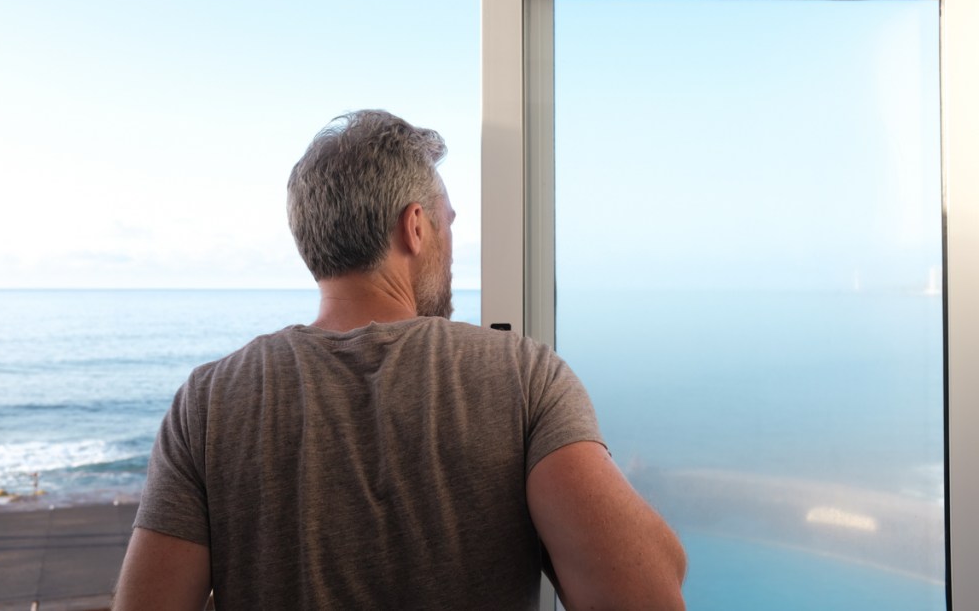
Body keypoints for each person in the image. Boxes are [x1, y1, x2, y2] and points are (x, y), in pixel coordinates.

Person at [113, 110, 686, 610]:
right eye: (447, 224)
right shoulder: (522, 377)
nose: (452, 247)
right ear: (414, 228)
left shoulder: (209, 401)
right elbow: (647, 594)